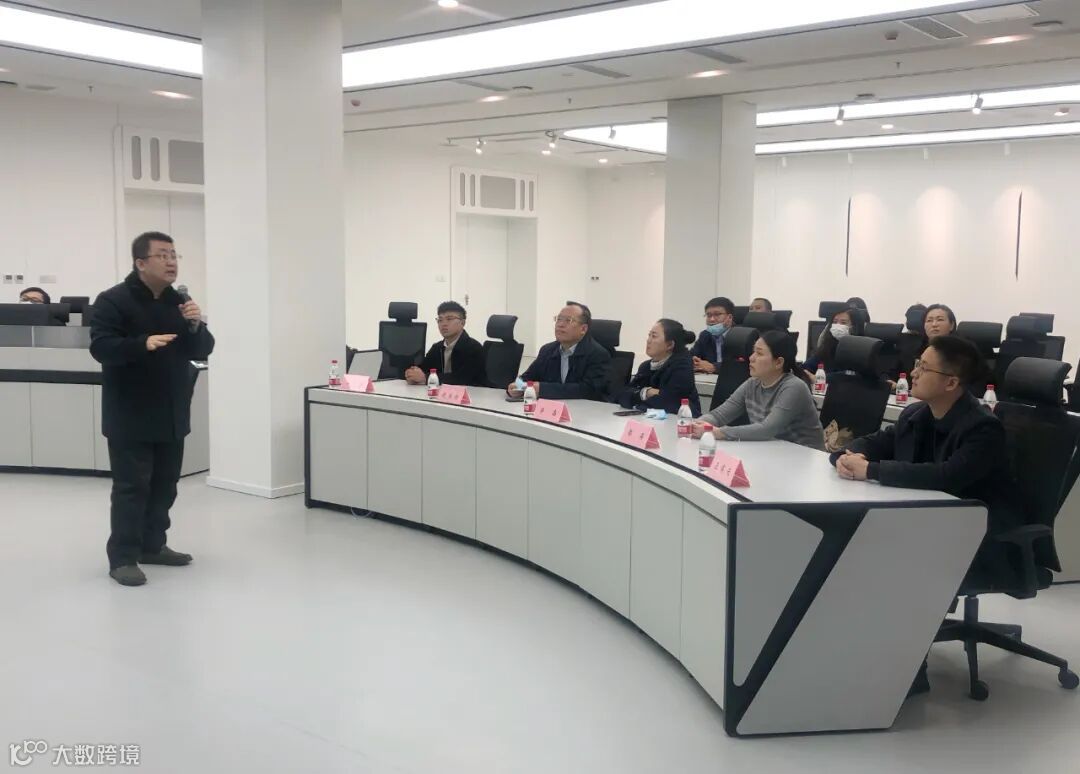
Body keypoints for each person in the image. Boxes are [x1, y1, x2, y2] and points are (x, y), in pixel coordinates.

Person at [832, 336, 1021, 696]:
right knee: (865, 545)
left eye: (923, 367)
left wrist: (871, 470)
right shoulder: (916, 415)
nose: (913, 373)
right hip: (930, 525)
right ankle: (872, 651)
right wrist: (847, 455)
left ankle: (906, 672)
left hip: (982, 536)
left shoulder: (983, 428)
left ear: (951, 383)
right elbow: (875, 442)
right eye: (917, 363)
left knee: (887, 556)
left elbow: (947, 476)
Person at [90, 231, 215, 587]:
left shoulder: (179, 301)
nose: (171, 261)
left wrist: (195, 325)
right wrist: (141, 344)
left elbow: (203, 348)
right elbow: (101, 348)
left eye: (174, 254)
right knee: (132, 488)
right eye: (162, 255)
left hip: (172, 411)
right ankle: (123, 558)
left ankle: (152, 545)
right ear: (141, 263)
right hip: (130, 413)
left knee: (165, 486)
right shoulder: (113, 300)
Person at [693, 330, 825, 450]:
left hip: (804, 456)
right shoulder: (752, 383)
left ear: (778, 362)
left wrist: (718, 432)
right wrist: (697, 424)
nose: (751, 358)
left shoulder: (794, 387)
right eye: (753, 351)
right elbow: (719, 415)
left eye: (759, 353)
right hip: (773, 451)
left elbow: (767, 429)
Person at [508, 302, 610, 401]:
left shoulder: (598, 354)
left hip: (586, 410)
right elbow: (527, 377)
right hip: (550, 409)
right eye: (559, 319)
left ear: (583, 329)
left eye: (568, 320)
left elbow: (588, 390)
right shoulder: (547, 350)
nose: (560, 324)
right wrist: (517, 386)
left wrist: (543, 389)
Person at [619, 319, 701, 416]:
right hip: (648, 419)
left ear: (670, 345)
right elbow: (623, 395)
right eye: (649, 335)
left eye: (654, 336)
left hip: (681, 421)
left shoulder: (682, 367)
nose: (648, 340)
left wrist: (637, 399)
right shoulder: (646, 366)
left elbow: (668, 403)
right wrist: (646, 392)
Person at [405, 301, 486, 387]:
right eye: (440, 320)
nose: (443, 324)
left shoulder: (474, 348)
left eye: (449, 319)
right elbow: (424, 368)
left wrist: (426, 378)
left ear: (462, 323)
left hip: (471, 394)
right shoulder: (437, 347)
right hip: (439, 393)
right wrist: (412, 373)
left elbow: (462, 378)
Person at [802, 306, 864, 380]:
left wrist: (820, 379)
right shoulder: (829, 346)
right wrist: (801, 372)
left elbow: (850, 375)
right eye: (835, 322)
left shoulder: (861, 350)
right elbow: (807, 366)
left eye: (843, 322)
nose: (838, 325)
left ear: (854, 327)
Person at [690, 296, 734, 375]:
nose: (712, 319)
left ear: (729, 317)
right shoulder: (705, 335)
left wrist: (714, 367)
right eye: (709, 315)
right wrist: (693, 360)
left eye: (717, 314)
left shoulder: (740, 336)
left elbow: (740, 364)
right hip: (709, 379)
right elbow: (692, 355)